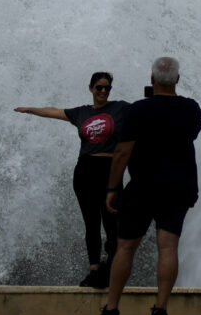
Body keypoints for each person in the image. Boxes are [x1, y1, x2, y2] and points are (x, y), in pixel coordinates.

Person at [98, 57, 201, 315]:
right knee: (168, 248)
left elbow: (122, 153)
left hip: (143, 187)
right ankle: (161, 308)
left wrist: (112, 188)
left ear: (151, 79)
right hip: (179, 187)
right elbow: (191, 133)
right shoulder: (190, 109)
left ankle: (111, 308)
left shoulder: (137, 110)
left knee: (125, 248)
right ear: (177, 79)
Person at [13, 71, 129, 288]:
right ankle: (94, 270)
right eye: (99, 88)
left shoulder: (120, 108)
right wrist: (30, 109)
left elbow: (148, 112)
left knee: (112, 221)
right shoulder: (81, 113)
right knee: (91, 223)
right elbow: (53, 112)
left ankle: (111, 265)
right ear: (91, 88)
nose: (103, 91)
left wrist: (178, 110)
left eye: (107, 88)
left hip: (110, 169)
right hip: (85, 171)